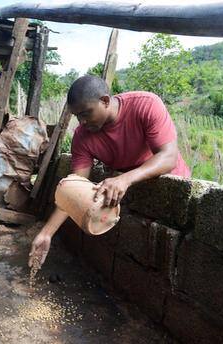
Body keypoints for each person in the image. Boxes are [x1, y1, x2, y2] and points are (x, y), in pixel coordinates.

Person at [28, 75, 191, 269]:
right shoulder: (82, 137)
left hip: (171, 191)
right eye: (77, 117)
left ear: (105, 101)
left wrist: (124, 179)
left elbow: (169, 157)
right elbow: (75, 189)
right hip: (129, 198)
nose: (82, 122)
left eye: (86, 113)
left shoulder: (145, 104)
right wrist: (47, 233)